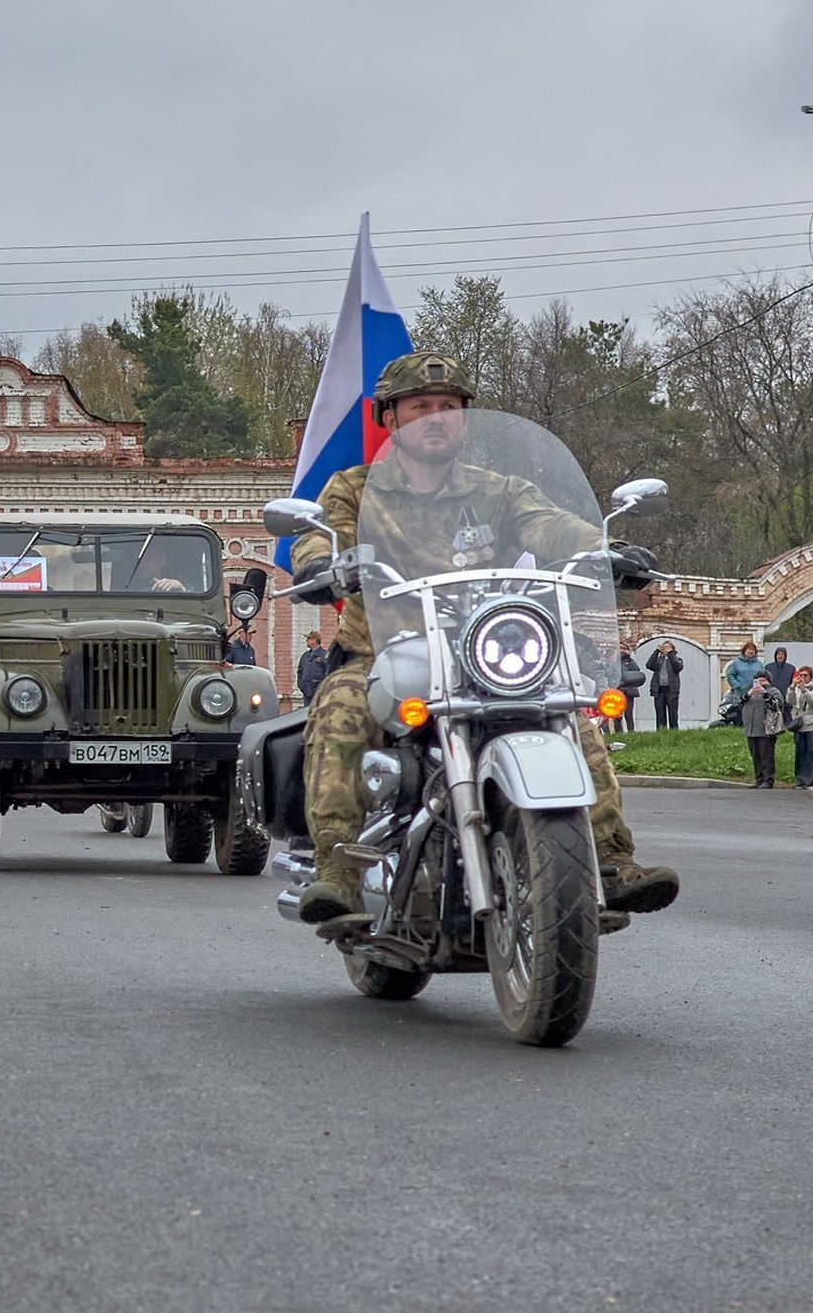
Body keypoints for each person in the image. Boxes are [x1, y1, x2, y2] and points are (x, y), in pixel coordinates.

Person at [283, 351, 677, 925]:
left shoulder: (498, 490)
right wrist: (323, 563)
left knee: (570, 712)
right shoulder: (355, 489)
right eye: (421, 407)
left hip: (485, 652)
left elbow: (547, 524)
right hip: (385, 652)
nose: (437, 418)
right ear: (388, 418)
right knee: (339, 710)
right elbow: (320, 539)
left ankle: (612, 862)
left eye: (450, 408)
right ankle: (338, 871)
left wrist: (600, 548)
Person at [740, 665, 787, 787]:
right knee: (755, 755)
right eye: (758, 680)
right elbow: (739, 704)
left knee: (766, 755)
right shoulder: (750, 691)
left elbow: (776, 705)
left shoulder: (773, 691)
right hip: (751, 729)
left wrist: (765, 694)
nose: (760, 682)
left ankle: (768, 779)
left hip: (766, 729)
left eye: (763, 680)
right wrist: (748, 694)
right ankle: (759, 778)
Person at [721, 642, 766, 721]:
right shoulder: (737, 662)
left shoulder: (759, 664)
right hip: (740, 693)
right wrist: (736, 685)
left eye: (753, 650)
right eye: (749, 649)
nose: (751, 651)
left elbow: (763, 676)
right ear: (744, 651)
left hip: (754, 693)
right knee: (740, 713)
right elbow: (730, 675)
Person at [646, 640, 683, 731]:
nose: (666, 649)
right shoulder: (658, 660)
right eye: (664, 647)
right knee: (660, 713)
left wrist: (670, 654)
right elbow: (649, 665)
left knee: (673, 713)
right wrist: (656, 652)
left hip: (671, 690)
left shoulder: (677, 659)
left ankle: (674, 731)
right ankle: (661, 731)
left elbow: (678, 667)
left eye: (668, 647)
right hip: (659, 690)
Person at [294, 631, 330, 706]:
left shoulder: (324, 655)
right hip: (307, 692)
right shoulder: (305, 656)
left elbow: (329, 672)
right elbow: (300, 671)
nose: (306, 641)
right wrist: (301, 685)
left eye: (308, 639)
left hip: (320, 693)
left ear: (315, 640)